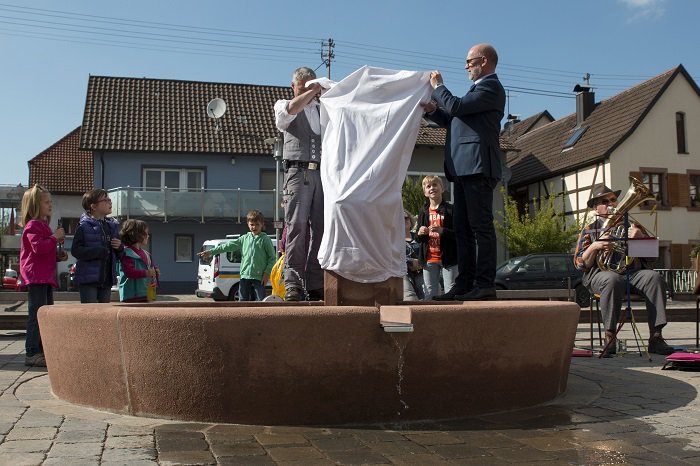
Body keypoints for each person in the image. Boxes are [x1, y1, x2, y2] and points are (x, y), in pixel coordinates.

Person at [423, 43, 505, 301]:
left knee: (480, 228)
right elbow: (452, 119)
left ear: (484, 61)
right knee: (463, 229)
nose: (466, 66)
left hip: (478, 168)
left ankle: (484, 283)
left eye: (469, 61)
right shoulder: (477, 91)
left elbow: (456, 107)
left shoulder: (491, 87)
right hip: (464, 169)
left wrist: (438, 88)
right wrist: (433, 111)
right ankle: (465, 282)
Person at [574, 183, 674, 356]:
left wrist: (640, 238)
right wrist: (595, 246)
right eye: (605, 201)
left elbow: (651, 258)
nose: (612, 204)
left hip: (632, 274)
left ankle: (656, 337)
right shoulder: (589, 230)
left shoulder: (632, 225)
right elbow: (580, 264)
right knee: (612, 279)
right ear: (595, 208)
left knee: (654, 278)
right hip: (601, 276)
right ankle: (610, 336)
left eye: (613, 199)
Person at [274, 66, 324, 301]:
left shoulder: (323, 109)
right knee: (296, 227)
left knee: (321, 229)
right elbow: (291, 111)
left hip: (322, 173)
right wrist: (310, 92)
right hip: (297, 172)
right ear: (293, 86)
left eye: (312, 84)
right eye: (302, 85)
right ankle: (293, 281)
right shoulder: (284, 104)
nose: (308, 89)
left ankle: (315, 281)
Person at [19, 184, 68, 367]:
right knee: (37, 314)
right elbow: (38, 248)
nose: (50, 205)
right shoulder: (33, 225)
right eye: (46, 202)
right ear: (35, 205)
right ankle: (32, 352)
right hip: (37, 276)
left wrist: (58, 255)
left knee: (44, 314)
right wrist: (54, 237)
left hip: (44, 276)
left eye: (51, 201)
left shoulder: (43, 226)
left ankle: (41, 350)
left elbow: (45, 250)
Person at [197, 209, 276, 301]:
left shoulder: (265, 240)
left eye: (257, 224)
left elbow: (272, 258)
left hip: (260, 277)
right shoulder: (244, 238)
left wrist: (267, 273)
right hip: (244, 275)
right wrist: (211, 251)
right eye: (252, 224)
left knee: (260, 300)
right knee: (242, 300)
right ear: (248, 224)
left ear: (262, 224)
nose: (254, 227)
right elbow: (228, 246)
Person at [71, 189, 122, 303]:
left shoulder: (112, 227)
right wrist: (97, 252)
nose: (110, 202)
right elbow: (76, 250)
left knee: (104, 316)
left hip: (107, 279)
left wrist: (120, 247)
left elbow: (119, 254)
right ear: (93, 206)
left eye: (109, 199)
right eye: (106, 200)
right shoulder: (83, 226)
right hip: (88, 280)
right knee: (90, 314)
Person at [416, 176, 457, 300]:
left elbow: (459, 235)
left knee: (451, 292)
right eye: (428, 186)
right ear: (425, 192)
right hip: (429, 259)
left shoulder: (451, 210)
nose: (432, 188)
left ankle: (450, 318)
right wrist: (420, 233)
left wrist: (442, 231)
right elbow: (419, 240)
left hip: (449, 259)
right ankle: (430, 319)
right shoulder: (423, 211)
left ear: (442, 188)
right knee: (429, 294)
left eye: (435, 185)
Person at [117, 219, 158, 302]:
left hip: (148, 295)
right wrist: (147, 273)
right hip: (131, 296)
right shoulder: (126, 253)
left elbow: (152, 270)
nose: (148, 236)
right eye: (145, 233)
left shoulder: (147, 254)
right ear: (137, 235)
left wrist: (156, 272)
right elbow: (129, 272)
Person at [403, 210, 424, 301]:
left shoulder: (419, 237)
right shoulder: (392, 240)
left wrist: (421, 262)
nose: (404, 220)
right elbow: (390, 257)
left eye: (406, 218)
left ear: (410, 221)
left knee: (432, 294)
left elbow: (429, 252)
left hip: (421, 272)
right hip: (404, 274)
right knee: (410, 298)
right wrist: (410, 262)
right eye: (400, 219)